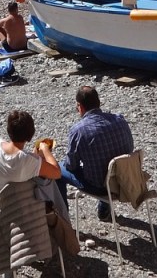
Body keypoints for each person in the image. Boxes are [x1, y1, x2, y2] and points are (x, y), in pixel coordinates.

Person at [58, 86, 134, 221]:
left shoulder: (79, 131)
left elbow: (71, 166)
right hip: (124, 179)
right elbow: (130, 149)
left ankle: (62, 219)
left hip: (99, 187)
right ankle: (104, 209)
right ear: (99, 103)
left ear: (79, 107)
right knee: (107, 162)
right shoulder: (120, 120)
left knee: (57, 170)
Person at [0, 110, 61, 213]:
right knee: (46, 183)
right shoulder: (27, 160)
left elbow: (22, 162)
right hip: (6, 211)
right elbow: (57, 173)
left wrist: (34, 155)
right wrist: (45, 149)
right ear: (30, 134)